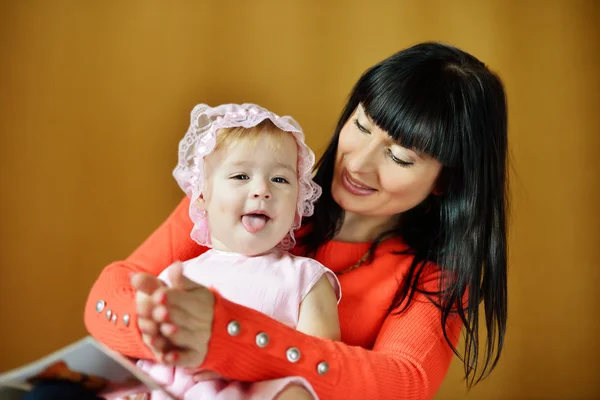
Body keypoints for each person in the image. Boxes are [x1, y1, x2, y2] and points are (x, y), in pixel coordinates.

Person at [85, 41, 509, 400]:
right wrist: (169, 329)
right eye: (360, 127)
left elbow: (402, 381)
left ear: (444, 182)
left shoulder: (434, 277)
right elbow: (108, 299)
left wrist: (228, 335)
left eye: (399, 156)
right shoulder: (249, 198)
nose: (358, 164)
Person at [130, 103, 341, 400]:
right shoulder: (181, 275)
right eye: (241, 176)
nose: (262, 190)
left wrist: (243, 361)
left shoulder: (306, 278)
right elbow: (152, 352)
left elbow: (321, 363)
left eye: (280, 179)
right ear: (201, 194)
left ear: (298, 201)